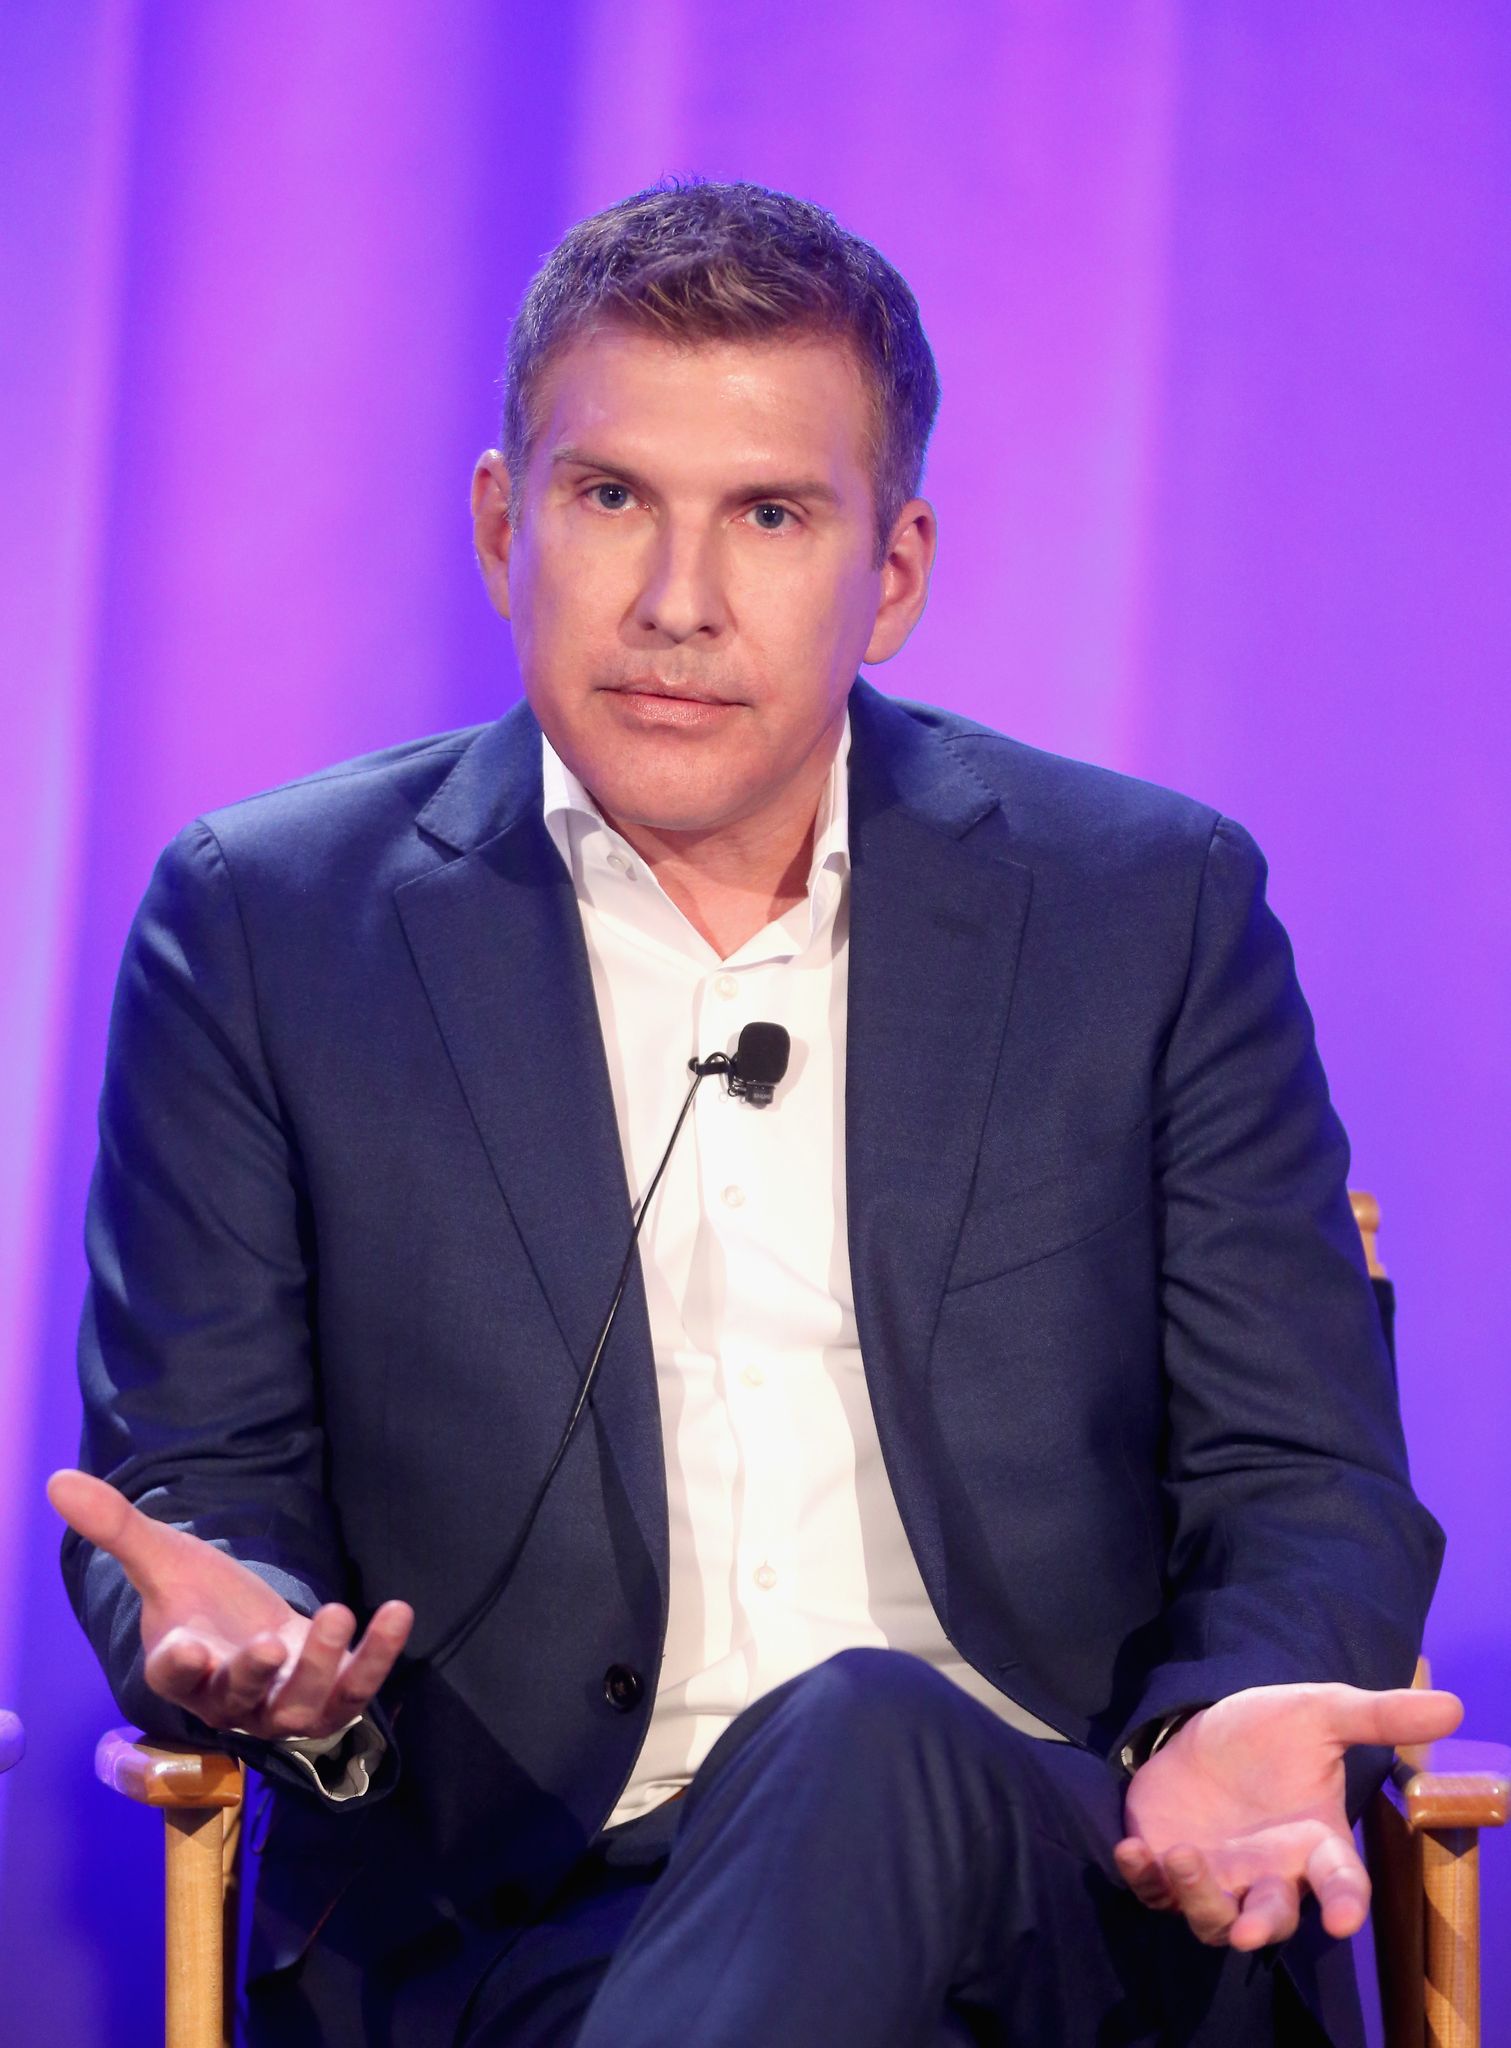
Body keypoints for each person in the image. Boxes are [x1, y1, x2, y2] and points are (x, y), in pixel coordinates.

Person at [52, 180, 1450, 2047]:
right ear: (500, 524)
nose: (675, 602)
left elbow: (1306, 1476)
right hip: (526, 1925)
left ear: (893, 574)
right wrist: (239, 1640)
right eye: (611, 496)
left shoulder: (1147, 909)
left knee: (862, 1730)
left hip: (1076, 1890)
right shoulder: (264, 926)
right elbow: (191, 1485)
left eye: (770, 515)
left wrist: (1240, 1716)